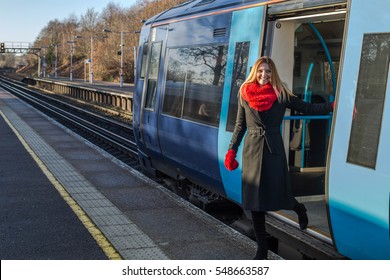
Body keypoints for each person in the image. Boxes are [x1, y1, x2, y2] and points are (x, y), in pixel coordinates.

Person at [224, 56, 333, 259]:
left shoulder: (281, 94)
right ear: (255, 72)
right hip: (251, 149)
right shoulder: (244, 93)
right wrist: (232, 151)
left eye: (268, 71)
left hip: (273, 149)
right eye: (260, 71)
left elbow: (308, 108)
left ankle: (298, 208)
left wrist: (332, 106)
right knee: (254, 201)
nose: (264, 75)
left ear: (272, 74)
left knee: (278, 192)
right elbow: (240, 125)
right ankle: (262, 249)